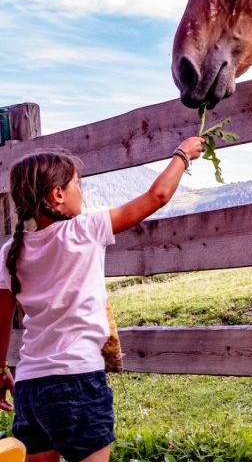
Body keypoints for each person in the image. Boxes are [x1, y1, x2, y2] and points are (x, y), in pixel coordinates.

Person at [0, 136, 204, 462]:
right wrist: (183, 154)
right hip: (78, 380)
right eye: (77, 184)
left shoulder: (11, 251)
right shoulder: (86, 229)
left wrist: (0, 371)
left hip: (30, 387)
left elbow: (1, 320)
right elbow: (157, 196)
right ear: (57, 195)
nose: (82, 190)